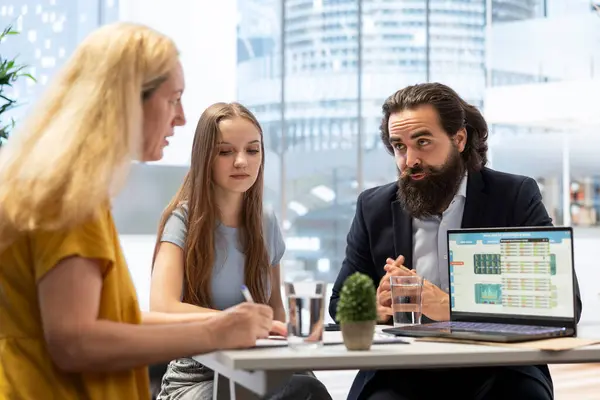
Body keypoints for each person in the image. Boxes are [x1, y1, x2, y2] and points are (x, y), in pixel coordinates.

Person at [0, 23, 278, 400]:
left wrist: (226, 323)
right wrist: (215, 331)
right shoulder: (68, 195)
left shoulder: (61, 186)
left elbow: (108, 322)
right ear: (127, 101)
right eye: (173, 99)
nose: (180, 117)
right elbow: (74, 341)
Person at [329, 82, 582, 400]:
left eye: (423, 142)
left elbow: (564, 304)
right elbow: (338, 304)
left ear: (459, 139)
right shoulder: (373, 206)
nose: (410, 160)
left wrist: (449, 307)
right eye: (399, 147)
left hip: (498, 368)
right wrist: (374, 307)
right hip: (401, 371)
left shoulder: (513, 196)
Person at [149, 102, 332, 400]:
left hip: (263, 365)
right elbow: (162, 306)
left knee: (308, 390)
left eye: (252, 150)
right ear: (204, 157)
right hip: (198, 373)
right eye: (225, 152)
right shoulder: (182, 220)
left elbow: (275, 310)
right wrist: (235, 323)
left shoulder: (266, 221)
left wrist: (291, 333)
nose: (241, 162)